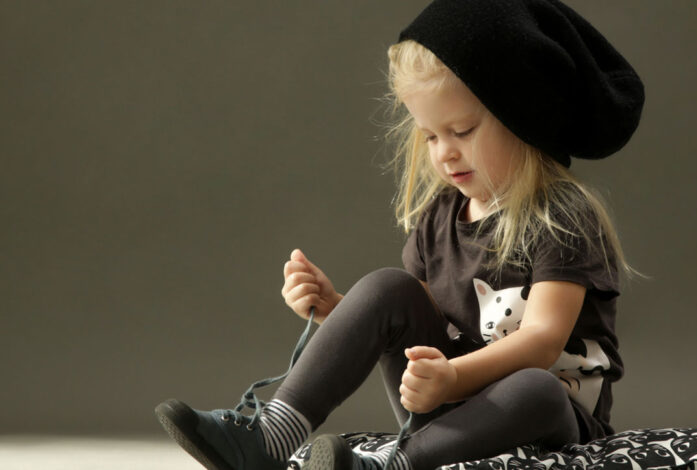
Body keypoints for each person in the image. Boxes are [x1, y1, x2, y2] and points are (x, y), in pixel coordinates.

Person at [155, 0, 645, 469]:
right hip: (448, 409)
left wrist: (453, 377)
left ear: (524, 118)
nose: (444, 153)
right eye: (430, 136)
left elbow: (541, 340)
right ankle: (271, 437)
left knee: (535, 386)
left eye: (462, 130)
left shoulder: (561, 217)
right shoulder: (441, 217)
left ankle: (396, 465)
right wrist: (338, 311)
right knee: (386, 287)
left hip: (546, 418)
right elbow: (424, 322)